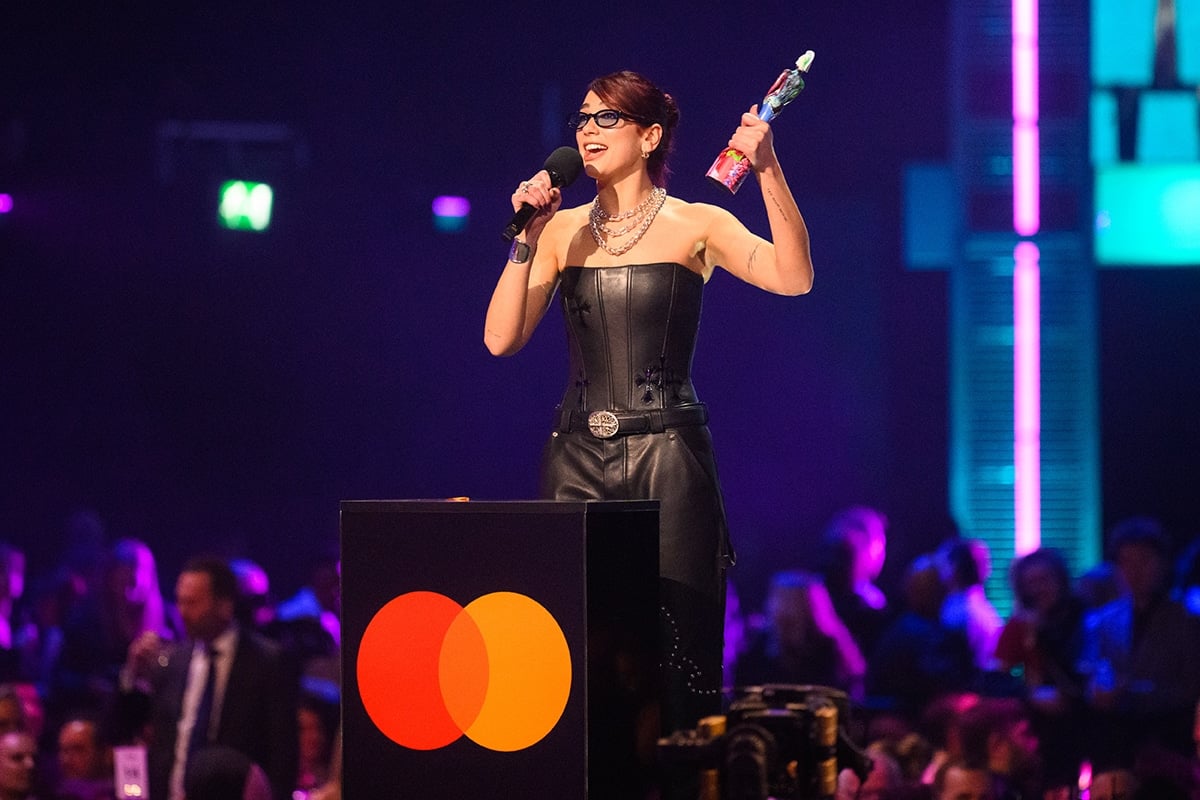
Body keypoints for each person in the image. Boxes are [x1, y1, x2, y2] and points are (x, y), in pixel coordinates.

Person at [483, 69, 813, 738]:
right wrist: (526, 234)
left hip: (669, 457)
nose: (586, 131)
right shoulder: (561, 231)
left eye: (605, 119)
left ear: (649, 135)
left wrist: (768, 165)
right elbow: (500, 340)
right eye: (581, 119)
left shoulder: (698, 222)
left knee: (676, 659)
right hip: (575, 453)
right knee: (575, 652)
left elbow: (793, 276)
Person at [118, 556, 297, 800]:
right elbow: (129, 729)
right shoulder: (174, 661)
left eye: (192, 603)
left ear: (224, 606)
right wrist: (133, 675)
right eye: (180, 602)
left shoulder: (267, 662)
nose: (182, 612)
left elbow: (282, 754)